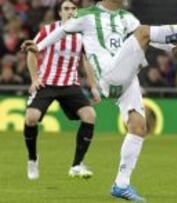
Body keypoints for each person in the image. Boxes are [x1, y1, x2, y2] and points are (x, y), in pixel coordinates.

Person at [21, 0, 177, 201]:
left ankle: (121, 184)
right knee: (143, 31)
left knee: (139, 126)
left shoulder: (127, 17)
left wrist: (169, 48)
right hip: (109, 75)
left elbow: (148, 37)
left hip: (127, 75)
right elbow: (62, 31)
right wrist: (39, 46)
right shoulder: (87, 15)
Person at [24, 0, 101, 181]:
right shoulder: (48, 30)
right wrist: (35, 79)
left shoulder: (83, 35)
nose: (70, 11)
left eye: (74, 8)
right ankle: (32, 158)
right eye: (66, 8)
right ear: (59, 13)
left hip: (69, 84)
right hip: (46, 83)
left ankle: (76, 165)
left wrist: (93, 86)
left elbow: (87, 61)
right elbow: (31, 52)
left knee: (90, 116)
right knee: (31, 118)